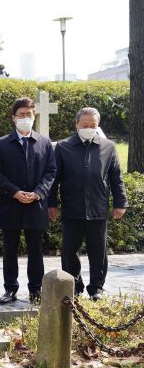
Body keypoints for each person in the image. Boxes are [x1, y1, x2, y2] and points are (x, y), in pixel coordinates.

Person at [48, 107, 127, 300]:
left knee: (98, 251)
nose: (89, 128)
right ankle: (73, 285)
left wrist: (120, 202)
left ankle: (96, 288)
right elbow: (54, 179)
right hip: (72, 208)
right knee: (69, 251)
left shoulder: (108, 147)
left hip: (98, 208)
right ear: (77, 125)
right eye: (85, 125)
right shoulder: (63, 147)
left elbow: (116, 177)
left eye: (93, 125)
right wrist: (51, 204)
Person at [0, 97, 56, 305]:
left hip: (36, 205)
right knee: (10, 249)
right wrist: (15, 192)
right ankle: (10, 289)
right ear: (13, 117)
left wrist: (38, 193)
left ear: (34, 116)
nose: (25, 118)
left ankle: (36, 289)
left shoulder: (44, 142)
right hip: (11, 204)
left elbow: (50, 172)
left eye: (29, 115)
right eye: (21, 115)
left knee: (35, 250)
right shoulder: (2, 143)